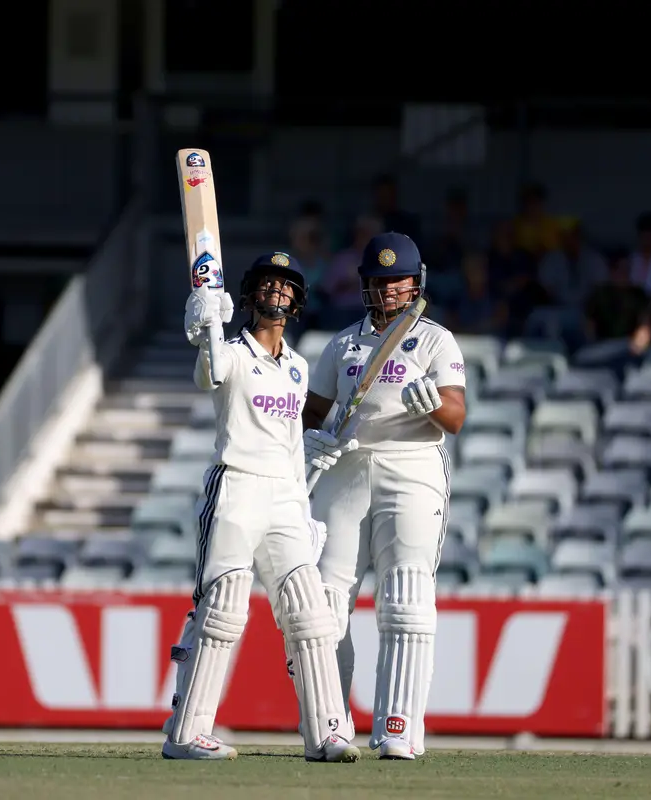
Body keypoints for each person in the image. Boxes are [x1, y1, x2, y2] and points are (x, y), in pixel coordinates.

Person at [163, 252, 360, 763]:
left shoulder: (297, 368)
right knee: (224, 609)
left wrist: (303, 504)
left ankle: (327, 734)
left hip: (284, 497)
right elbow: (208, 375)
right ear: (252, 295)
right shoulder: (230, 350)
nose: (277, 293)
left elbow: (292, 442)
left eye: (286, 287)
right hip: (236, 488)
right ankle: (186, 734)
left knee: (311, 614)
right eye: (269, 285)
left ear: (296, 300)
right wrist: (204, 322)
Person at [300, 232, 467, 760]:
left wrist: (431, 406)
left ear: (415, 283)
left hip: (411, 468)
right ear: (365, 286)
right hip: (345, 470)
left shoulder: (437, 341)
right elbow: (313, 410)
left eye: (397, 281)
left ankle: (398, 728)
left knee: (406, 601)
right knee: (324, 605)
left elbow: (456, 418)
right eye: (378, 281)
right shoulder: (342, 344)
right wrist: (313, 436)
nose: (389, 290)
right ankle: (329, 727)